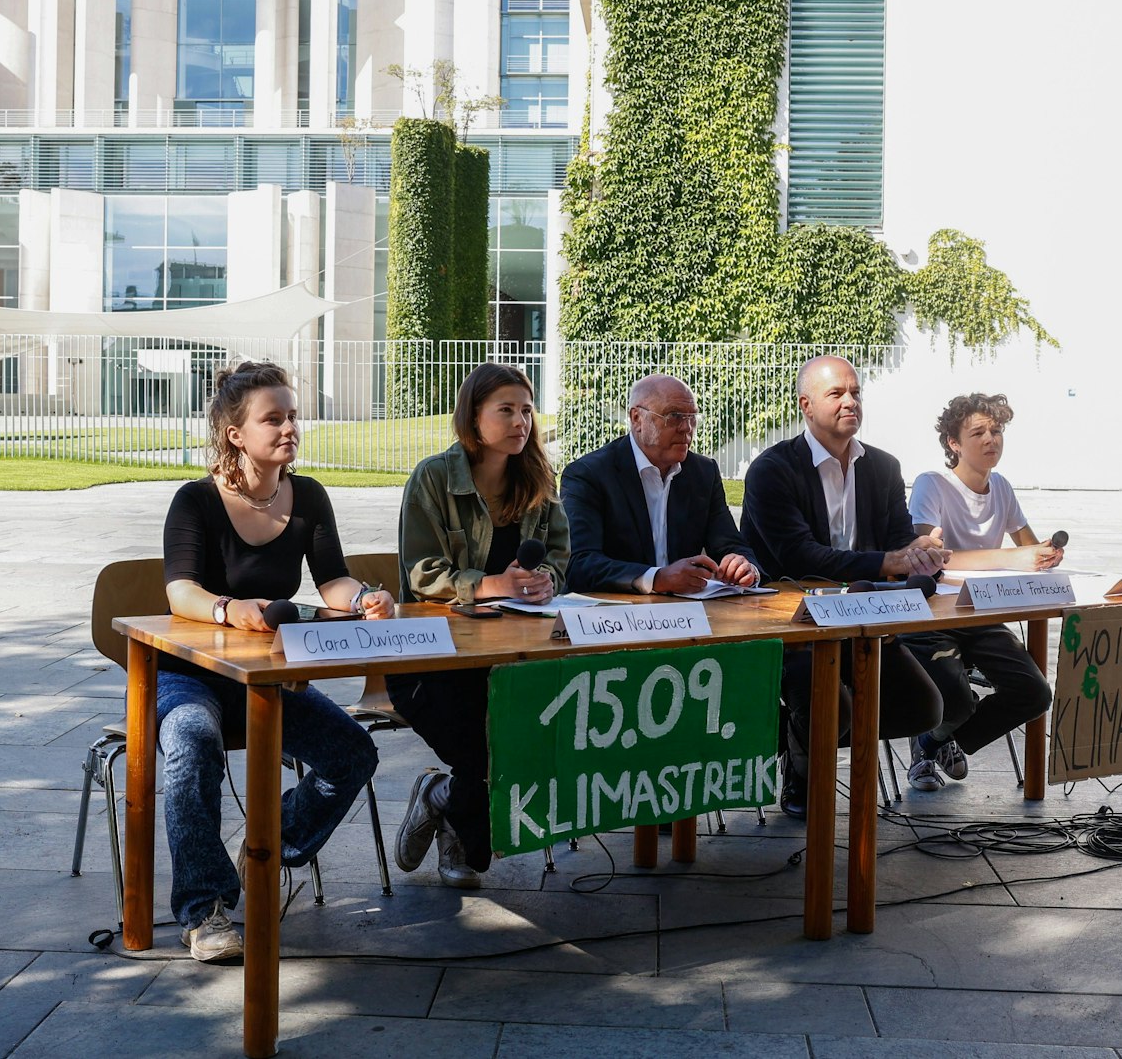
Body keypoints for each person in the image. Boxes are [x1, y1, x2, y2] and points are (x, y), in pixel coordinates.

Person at [160, 361, 392, 962]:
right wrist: (227, 609)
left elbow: (333, 579)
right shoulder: (196, 500)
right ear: (236, 432)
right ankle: (205, 910)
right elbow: (178, 591)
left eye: (292, 415)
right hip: (191, 676)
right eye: (274, 418)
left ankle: (269, 843)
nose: (289, 427)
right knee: (191, 739)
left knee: (353, 754)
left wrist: (365, 598)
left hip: (267, 677)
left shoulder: (308, 496)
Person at [738, 355, 947, 818]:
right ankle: (804, 761)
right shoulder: (772, 470)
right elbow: (800, 557)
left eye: (855, 393)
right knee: (836, 707)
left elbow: (897, 540)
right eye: (837, 394)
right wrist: (889, 560)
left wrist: (920, 552)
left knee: (923, 708)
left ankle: (801, 738)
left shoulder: (883, 467)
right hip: (793, 624)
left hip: (863, 620)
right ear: (806, 406)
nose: (850, 401)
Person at [391, 361, 570, 887]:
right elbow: (422, 573)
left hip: (511, 653)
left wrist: (546, 583)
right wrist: (493, 585)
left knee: (516, 746)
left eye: (527, 410)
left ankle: (445, 806)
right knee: (485, 753)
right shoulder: (432, 477)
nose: (521, 422)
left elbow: (559, 556)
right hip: (431, 658)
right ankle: (444, 804)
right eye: (506, 410)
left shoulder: (539, 479)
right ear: (473, 419)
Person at [901, 392, 1057, 792]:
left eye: (997, 430)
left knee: (1035, 693)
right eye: (978, 433)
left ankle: (936, 740)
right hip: (931, 616)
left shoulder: (1001, 487)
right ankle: (939, 735)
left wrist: (1043, 556)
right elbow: (929, 556)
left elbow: (1028, 547)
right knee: (958, 698)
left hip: (981, 613)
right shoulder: (931, 484)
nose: (992, 439)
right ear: (954, 443)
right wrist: (1015, 556)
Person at [562, 373, 762, 594]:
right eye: (674, 416)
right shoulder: (589, 474)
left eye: (692, 417)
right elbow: (580, 564)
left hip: (687, 614)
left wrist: (744, 567)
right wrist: (656, 579)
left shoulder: (703, 473)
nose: (687, 428)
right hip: (614, 616)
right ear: (637, 418)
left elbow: (730, 544)